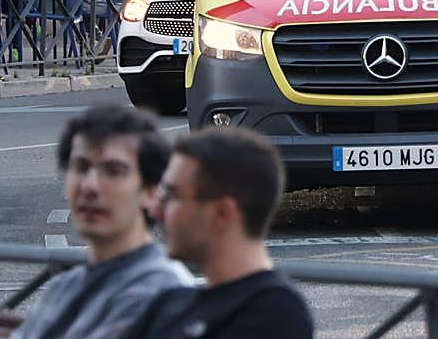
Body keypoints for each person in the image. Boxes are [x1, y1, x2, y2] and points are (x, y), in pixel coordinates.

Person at [10, 105, 193, 339]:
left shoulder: (167, 296)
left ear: (150, 191)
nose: (90, 186)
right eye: (81, 167)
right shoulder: (62, 288)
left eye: (114, 171)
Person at [122, 127, 313, 339]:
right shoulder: (171, 302)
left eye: (171, 197)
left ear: (222, 213)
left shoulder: (274, 313)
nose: (155, 209)